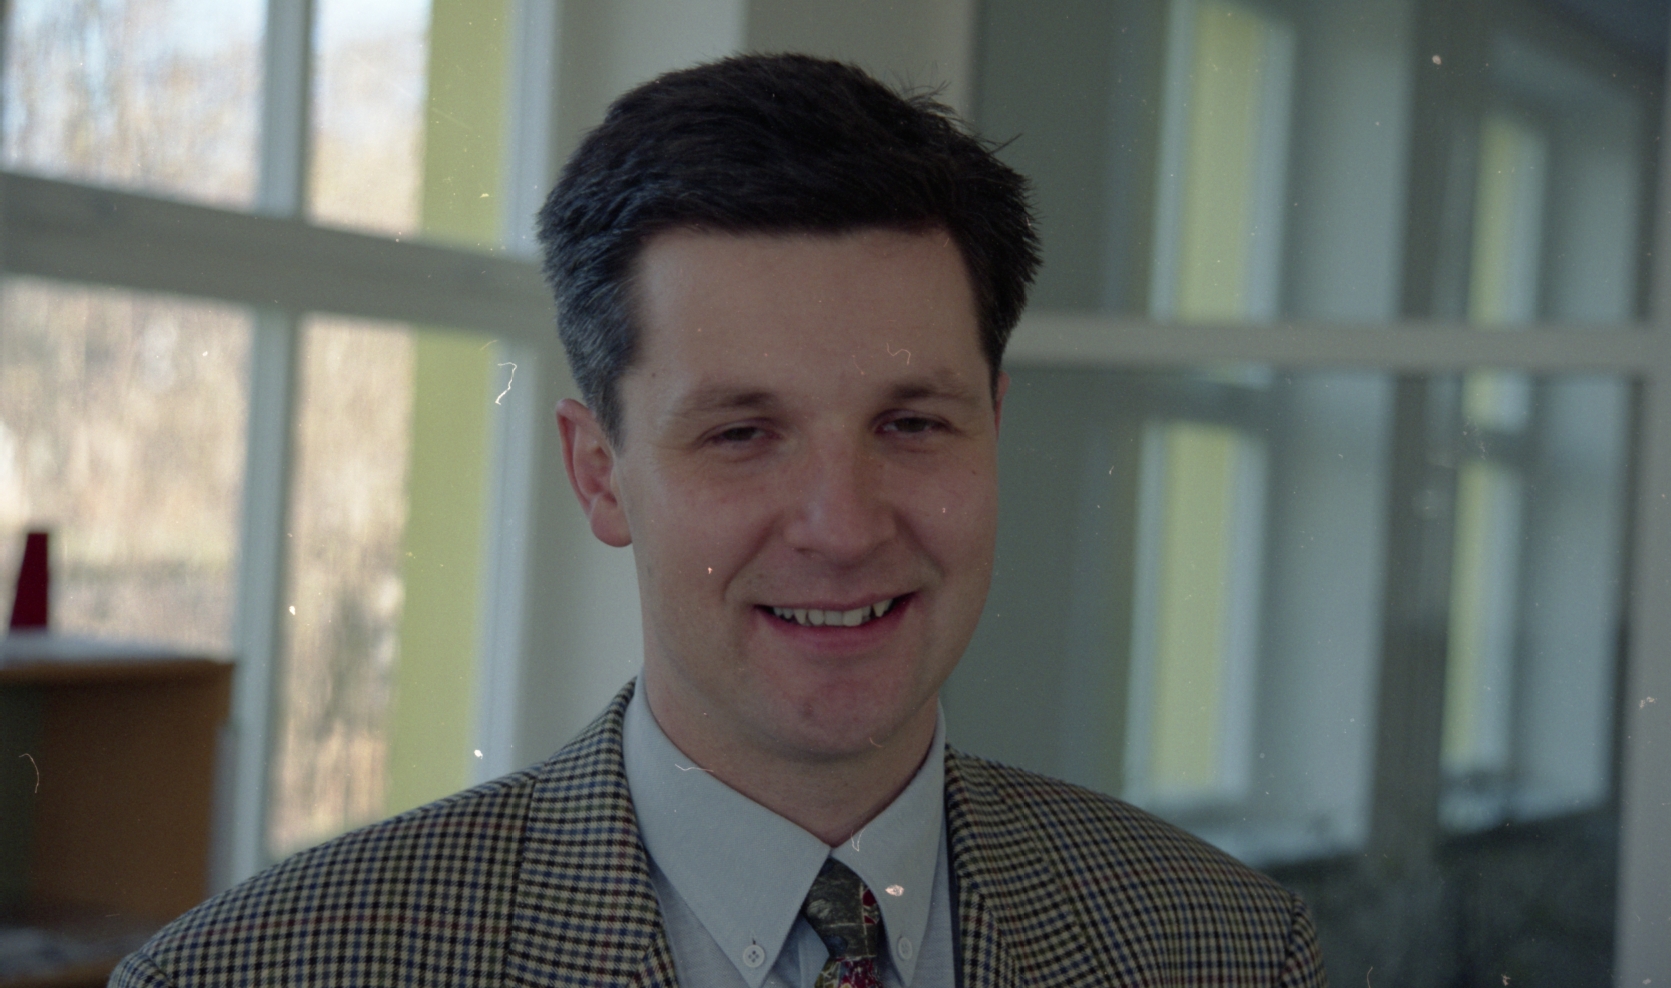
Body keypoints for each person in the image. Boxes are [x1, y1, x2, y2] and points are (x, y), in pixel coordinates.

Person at [112, 54, 1327, 988]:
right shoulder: (252, 972)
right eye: (742, 433)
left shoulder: (1228, 948)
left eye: (912, 423)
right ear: (600, 475)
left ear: (993, 431)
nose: (842, 527)